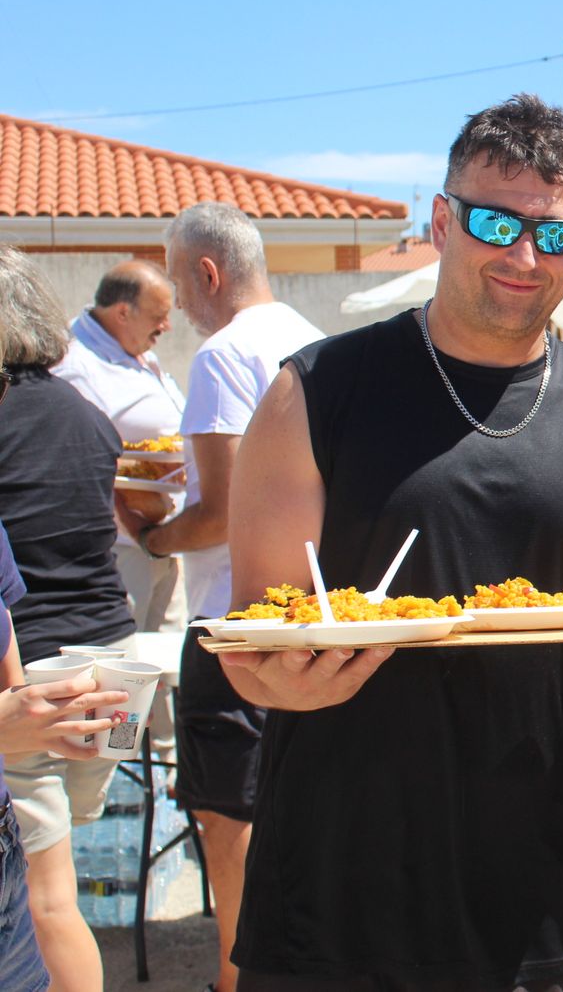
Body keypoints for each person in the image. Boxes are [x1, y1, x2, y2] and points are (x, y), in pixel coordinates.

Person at [215, 94, 563, 990]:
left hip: (538, 883)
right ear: (441, 221)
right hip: (341, 874)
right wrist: (268, 674)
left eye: (552, 234)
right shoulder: (316, 392)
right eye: (492, 221)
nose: (523, 255)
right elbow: (256, 628)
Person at [112, 203, 324, 992]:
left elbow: (225, 509)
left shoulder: (226, 353)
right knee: (307, 818)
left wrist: (152, 534)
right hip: (318, 619)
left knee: (231, 828)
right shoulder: (319, 340)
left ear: (207, 273)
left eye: (177, 278)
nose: (177, 299)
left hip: (234, 626)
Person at [0, 245, 138, 992]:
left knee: (47, 899)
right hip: (105, 663)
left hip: (34, 682)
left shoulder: (8, 419)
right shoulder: (88, 415)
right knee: (61, 888)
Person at [54, 260, 189, 632]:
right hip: (122, 550)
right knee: (128, 666)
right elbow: (80, 458)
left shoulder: (138, 349)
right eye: (158, 316)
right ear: (123, 312)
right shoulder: (75, 364)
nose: (167, 325)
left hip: (162, 539)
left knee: (167, 667)